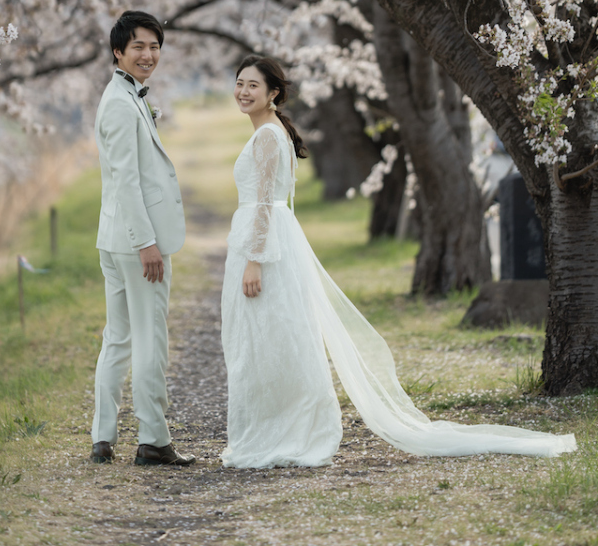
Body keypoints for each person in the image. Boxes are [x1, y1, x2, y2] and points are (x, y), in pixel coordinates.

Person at [221, 55, 576, 469]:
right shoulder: (272, 130)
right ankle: (283, 426)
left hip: (263, 246)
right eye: (240, 83)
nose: (243, 92)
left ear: (273, 93)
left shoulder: (267, 135)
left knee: (265, 340)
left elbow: (266, 201)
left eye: (253, 85)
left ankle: (282, 431)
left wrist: (255, 260)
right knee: (275, 337)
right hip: (273, 240)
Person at [89, 10, 194, 467]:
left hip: (114, 239)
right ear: (118, 52)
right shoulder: (118, 101)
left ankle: (102, 438)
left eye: (154, 46)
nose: (148, 54)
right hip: (135, 243)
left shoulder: (125, 97)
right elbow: (127, 180)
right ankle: (153, 439)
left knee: (119, 338)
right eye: (139, 47)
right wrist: (146, 242)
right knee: (149, 338)